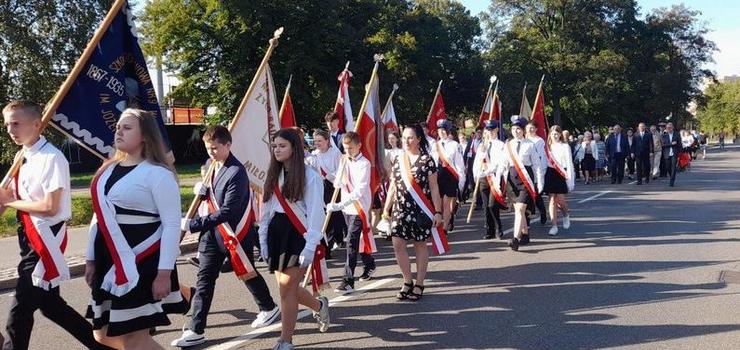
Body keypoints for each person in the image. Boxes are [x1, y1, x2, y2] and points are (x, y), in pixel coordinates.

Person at [0, 101, 111, 350]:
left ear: (37, 124)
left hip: (44, 241)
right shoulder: (22, 156)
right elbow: (6, 199)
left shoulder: (52, 158)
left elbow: (50, 206)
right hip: (27, 238)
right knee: (52, 307)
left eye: (16, 123)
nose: (10, 129)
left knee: (19, 310)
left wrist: (13, 202)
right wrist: (7, 201)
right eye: (7, 124)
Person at [83, 108, 185, 349]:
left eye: (127, 127)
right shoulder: (106, 170)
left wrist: (163, 274)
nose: (119, 130)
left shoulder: (158, 174)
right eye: (118, 126)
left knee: (134, 337)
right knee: (102, 333)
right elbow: (98, 217)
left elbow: (171, 225)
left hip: (141, 261)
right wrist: (90, 259)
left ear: (145, 136)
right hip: (109, 260)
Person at [173, 126, 279, 347]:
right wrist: (201, 193)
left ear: (228, 145)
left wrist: (193, 224)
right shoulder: (213, 166)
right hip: (211, 237)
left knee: (247, 273)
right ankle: (196, 329)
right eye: (208, 148)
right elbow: (212, 199)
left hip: (235, 234)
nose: (210, 152)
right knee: (204, 282)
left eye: (215, 148)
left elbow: (227, 211)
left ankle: (269, 307)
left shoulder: (237, 172)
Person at [259, 128, 330, 349]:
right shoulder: (273, 174)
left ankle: (285, 340)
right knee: (287, 288)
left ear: (294, 148)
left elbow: (317, 213)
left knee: (286, 289)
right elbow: (266, 209)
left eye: (282, 146)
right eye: (275, 146)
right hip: (277, 233)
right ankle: (319, 306)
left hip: (299, 233)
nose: (277, 149)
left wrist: (310, 246)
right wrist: (262, 238)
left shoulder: (311, 176)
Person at [382, 124, 445, 301]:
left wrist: (438, 212)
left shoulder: (427, 160)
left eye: (410, 137)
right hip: (400, 210)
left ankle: (419, 283)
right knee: (397, 245)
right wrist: (386, 208)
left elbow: (434, 187)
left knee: (419, 245)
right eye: (404, 138)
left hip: (419, 210)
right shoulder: (398, 160)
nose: (406, 141)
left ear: (418, 139)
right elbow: (393, 186)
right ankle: (407, 281)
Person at [327, 132, 377, 293]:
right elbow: (338, 182)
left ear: (359, 146)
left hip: (359, 208)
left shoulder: (365, 164)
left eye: (351, 148)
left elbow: (359, 191)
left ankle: (348, 280)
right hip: (346, 208)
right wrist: (337, 181)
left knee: (351, 242)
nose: (348, 151)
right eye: (345, 148)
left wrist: (340, 204)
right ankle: (369, 263)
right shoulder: (343, 160)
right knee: (358, 240)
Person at [495, 115, 544, 251]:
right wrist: (497, 180)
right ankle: (525, 234)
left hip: (525, 180)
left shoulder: (530, 145)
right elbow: (502, 164)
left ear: (523, 130)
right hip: (512, 180)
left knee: (520, 209)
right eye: (513, 128)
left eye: (518, 129)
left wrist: (539, 182)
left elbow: (537, 165)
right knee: (519, 210)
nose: (516, 131)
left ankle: (515, 238)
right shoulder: (508, 145)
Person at [307, 129, 345, 253]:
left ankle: (338, 238)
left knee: (335, 212)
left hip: (333, 185)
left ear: (327, 141)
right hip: (320, 185)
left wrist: (328, 175)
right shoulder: (315, 154)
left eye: (320, 141)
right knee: (323, 212)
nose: (317, 143)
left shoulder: (335, 153)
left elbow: (340, 170)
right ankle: (328, 239)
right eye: (316, 141)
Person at [472, 120, 506, 239]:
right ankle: (489, 230)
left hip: (494, 177)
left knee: (492, 205)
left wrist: (489, 170)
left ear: (497, 130)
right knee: (486, 206)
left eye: (492, 130)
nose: (490, 132)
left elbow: (500, 163)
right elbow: (477, 162)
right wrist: (476, 175)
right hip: (483, 178)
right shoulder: (482, 145)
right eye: (488, 130)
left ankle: (498, 227)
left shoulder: (501, 145)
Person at [431, 119, 465, 233]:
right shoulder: (435, 145)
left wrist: (461, 181)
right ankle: (441, 223)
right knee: (438, 204)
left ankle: (444, 227)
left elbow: (460, 164)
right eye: (439, 130)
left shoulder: (455, 145)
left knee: (446, 203)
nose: (441, 132)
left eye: (443, 130)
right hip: (438, 176)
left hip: (451, 176)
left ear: (448, 131)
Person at [543, 126, 575, 236]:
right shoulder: (547, 147)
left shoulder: (565, 147)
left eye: (557, 133)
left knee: (560, 200)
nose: (555, 135)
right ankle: (554, 226)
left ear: (560, 134)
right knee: (552, 200)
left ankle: (566, 215)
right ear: (550, 135)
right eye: (553, 134)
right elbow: (543, 162)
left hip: (561, 173)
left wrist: (570, 180)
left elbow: (569, 163)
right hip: (551, 173)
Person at [525, 122, 548, 224]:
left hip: (535, 171)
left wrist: (541, 173)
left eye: (532, 128)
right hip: (524, 172)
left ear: (536, 129)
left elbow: (541, 158)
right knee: (526, 196)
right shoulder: (523, 140)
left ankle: (542, 212)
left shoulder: (539, 141)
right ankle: (527, 219)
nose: (530, 130)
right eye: (528, 128)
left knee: (536, 196)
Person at [462, 128, 483, 206]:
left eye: (480, 133)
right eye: (477, 132)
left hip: (480, 166)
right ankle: (476, 199)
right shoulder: (471, 142)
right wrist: (464, 164)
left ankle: (479, 202)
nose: (479, 134)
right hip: (471, 166)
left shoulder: (484, 142)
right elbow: (466, 153)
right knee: (472, 184)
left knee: (480, 183)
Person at [662, 122, 682, 187]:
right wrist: (671, 144)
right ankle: (671, 176)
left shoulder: (677, 134)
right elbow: (663, 145)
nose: (669, 129)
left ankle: (672, 181)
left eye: (670, 128)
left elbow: (679, 144)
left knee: (673, 167)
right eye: (667, 128)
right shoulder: (664, 135)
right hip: (667, 154)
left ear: (673, 128)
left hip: (674, 153)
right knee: (668, 167)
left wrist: (680, 153)